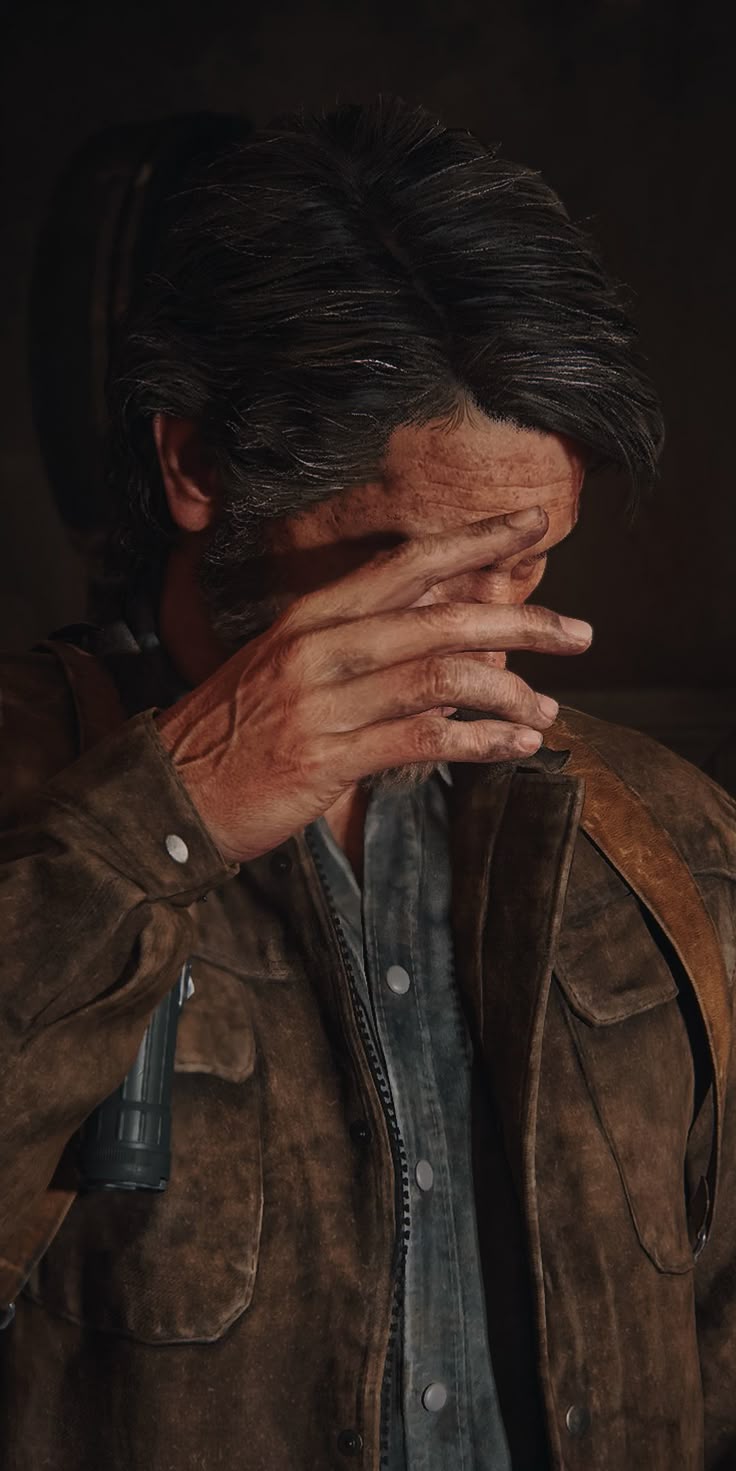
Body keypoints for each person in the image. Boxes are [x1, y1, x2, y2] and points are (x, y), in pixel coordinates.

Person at [1, 96, 734, 1471]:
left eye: (527, 556)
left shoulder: (669, 841)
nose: (484, 624)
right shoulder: (28, 784)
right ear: (196, 463)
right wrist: (162, 824)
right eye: (415, 561)